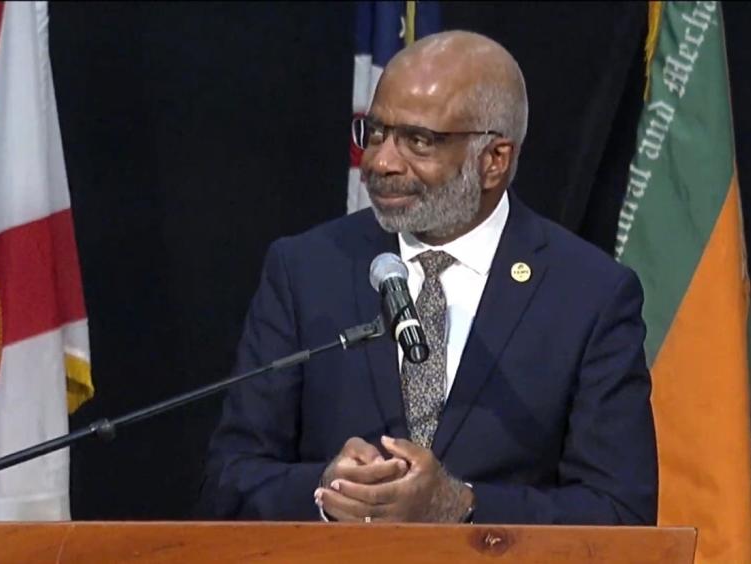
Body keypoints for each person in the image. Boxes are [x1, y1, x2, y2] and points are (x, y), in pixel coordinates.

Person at [198, 30, 657, 525]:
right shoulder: (305, 269)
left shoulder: (588, 294)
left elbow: (620, 514)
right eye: (374, 133)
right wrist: (327, 490)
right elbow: (229, 479)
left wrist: (461, 506)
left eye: (418, 141)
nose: (380, 162)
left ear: (494, 161)